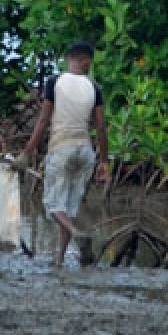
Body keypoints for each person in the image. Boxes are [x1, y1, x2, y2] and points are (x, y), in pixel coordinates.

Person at [14, 42, 109, 268]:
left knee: (53, 205)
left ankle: (77, 233)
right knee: (70, 207)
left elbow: (44, 120)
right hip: (85, 153)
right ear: (85, 60)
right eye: (89, 62)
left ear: (70, 59)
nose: (89, 65)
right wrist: (104, 161)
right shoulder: (94, 87)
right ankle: (59, 260)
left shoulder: (54, 83)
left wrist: (27, 152)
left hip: (62, 149)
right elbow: (101, 127)